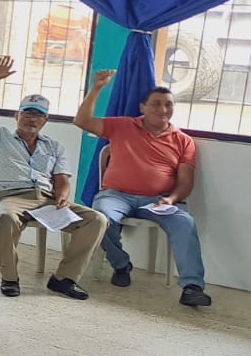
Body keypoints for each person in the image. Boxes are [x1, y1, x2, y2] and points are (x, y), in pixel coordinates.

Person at [0, 56, 106, 300]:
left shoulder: (54, 146)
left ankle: (64, 279)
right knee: (5, 219)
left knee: (96, 219)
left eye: (38, 115)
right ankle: (10, 278)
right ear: (17, 115)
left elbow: (62, 178)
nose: (32, 119)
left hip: (47, 199)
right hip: (11, 197)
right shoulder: (0, 137)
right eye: (27, 113)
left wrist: (63, 197)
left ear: (45, 120)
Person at [75, 70, 211, 306]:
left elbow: (185, 181)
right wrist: (96, 88)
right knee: (100, 218)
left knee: (185, 223)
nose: (163, 109)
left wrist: (171, 199)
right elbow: (82, 121)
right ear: (143, 107)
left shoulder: (183, 141)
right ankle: (121, 265)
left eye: (168, 105)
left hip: (159, 200)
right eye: (156, 104)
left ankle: (192, 287)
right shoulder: (122, 125)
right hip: (116, 196)